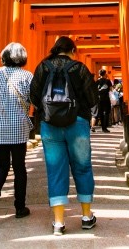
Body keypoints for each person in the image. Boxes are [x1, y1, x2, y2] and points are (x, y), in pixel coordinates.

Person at [30, 36, 99, 236]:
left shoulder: (43, 67)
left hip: (50, 124)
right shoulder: (79, 68)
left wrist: (48, 109)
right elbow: (92, 97)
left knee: (55, 170)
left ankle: (59, 222)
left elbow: (33, 96)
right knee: (83, 167)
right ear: (72, 51)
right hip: (77, 123)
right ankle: (86, 217)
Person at [0, 42, 34, 220]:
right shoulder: (27, 76)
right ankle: (20, 207)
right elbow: (34, 98)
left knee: (2, 166)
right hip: (18, 128)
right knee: (19, 168)